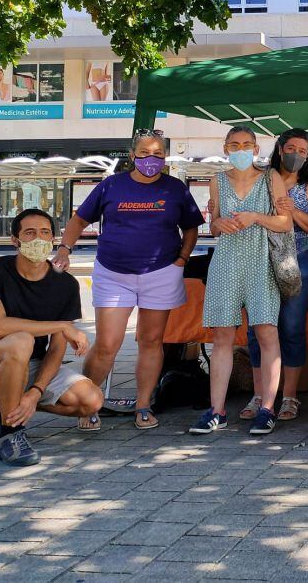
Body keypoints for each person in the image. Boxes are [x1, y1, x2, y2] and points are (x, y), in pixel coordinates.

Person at [55, 130, 204, 431]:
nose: (153, 159)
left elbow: (191, 228)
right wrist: (64, 248)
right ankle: (89, 402)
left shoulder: (175, 189)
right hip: (113, 273)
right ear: (133, 155)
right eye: (146, 153)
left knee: (151, 341)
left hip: (161, 273)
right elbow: (79, 219)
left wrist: (182, 259)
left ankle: (144, 405)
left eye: (159, 153)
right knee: (108, 344)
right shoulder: (111, 185)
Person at [0, 209, 102, 465]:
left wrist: (35, 392)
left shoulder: (65, 284)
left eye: (45, 232)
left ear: (54, 239)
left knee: (91, 400)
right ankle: (9, 434)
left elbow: (56, 350)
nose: (38, 239)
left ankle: (10, 404)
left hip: (28, 367)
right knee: (21, 340)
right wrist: (60, 326)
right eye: (29, 233)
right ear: (15, 240)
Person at [190, 126, 291, 437]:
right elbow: (216, 226)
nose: (241, 149)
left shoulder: (271, 178)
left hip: (262, 261)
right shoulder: (217, 180)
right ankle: (216, 410)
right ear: (226, 148)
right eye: (235, 144)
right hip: (226, 263)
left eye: (247, 144)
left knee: (266, 332)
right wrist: (217, 221)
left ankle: (267, 408)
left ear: (256, 149)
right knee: (221, 336)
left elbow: (285, 222)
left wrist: (256, 217)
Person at [240, 129, 308, 422]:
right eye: (291, 148)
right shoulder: (260, 177)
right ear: (279, 149)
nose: (296, 155)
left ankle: (289, 396)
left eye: (303, 151)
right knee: (258, 329)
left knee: (291, 327)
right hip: (260, 259)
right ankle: (259, 394)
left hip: (299, 261)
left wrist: (294, 212)